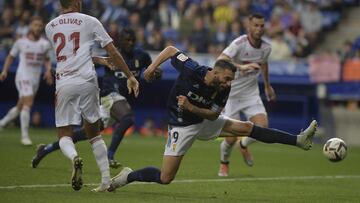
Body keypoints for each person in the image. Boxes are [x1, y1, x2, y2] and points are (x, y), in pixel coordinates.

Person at [107, 46, 317, 191]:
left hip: (204, 119)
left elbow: (214, 114)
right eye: (226, 79)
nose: (228, 84)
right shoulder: (192, 69)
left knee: (247, 127)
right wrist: (152, 67)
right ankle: (127, 176)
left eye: (230, 81)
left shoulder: (223, 89)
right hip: (181, 125)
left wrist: (191, 106)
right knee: (165, 178)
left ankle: (297, 140)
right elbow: (171, 50)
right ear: (215, 72)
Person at [45, 0, 139, 192]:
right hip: (87, 80)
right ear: (76, 3)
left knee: (64, 134)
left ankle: (74, 158)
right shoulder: (90, 21)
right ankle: (105, 182)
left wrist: (99, 60)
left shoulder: (50, 27)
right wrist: (130, 75)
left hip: (64, 81)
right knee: (94, 134)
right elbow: (113, 51)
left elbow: (71, 53)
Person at [31, 27, 154, 169]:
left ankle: (45, 149)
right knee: (128, 118)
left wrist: (156, 73)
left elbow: (152, 74)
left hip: (116, 105)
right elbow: (85, 64)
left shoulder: (142, 56)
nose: (130, 43)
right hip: (109, 95)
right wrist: (61, 72)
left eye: (133, 40)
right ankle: (109, 156)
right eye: (127, 40)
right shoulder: (112, 55)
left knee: (84, 134)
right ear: (119, 41)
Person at [217, 13, 276, 177]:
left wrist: (267, 86)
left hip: (251, 94)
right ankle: (224, 163)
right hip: (232, 95)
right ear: (248, 27)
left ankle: (243, 143)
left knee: (262, 127)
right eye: (255, 25)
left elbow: (263, 64)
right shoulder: (239, 44)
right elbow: (220, 59)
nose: (259, 29)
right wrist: (240, 67)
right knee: (229, 138)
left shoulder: (266, 48)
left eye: (262, 26)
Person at [0, 16, 53, 145]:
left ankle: (2, 123)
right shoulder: (21, 42)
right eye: (35, 25)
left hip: (35, 78)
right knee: (28, 103)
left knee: (21, 105)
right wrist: (5, 70)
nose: (38, 28)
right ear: (30, 26)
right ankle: (24, 136)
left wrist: (48, 70)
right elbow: (10, 57)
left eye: (40, 25)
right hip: (22, 76)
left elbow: (46, 59)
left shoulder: (45, 44)